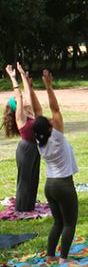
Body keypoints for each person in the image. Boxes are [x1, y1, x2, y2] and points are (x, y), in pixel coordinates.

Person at [32, 70, 79, 263]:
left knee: (58, 222)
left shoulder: (39, 139)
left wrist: (31, 88)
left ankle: (50, 255)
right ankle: (63, 258)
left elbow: (38, 114)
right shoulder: (56, 137)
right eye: (50, 122)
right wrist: (49, 87)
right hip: (63, 185)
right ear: (50, 128)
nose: (53, 120)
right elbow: (56, 110)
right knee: (69, 223)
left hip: (49, 185)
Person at [4, 64, 40, 212]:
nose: (23, 99)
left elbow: (28, 94)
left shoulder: (29, 112)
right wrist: (13, 77)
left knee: (33, 178)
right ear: (17, 106)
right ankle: (21, 209)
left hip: (35, 146)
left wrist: (23, 76)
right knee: (24, 180)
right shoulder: (21, 117)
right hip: (25, 149)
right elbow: (19, 95)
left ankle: (29, 207)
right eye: (19, 100)